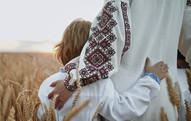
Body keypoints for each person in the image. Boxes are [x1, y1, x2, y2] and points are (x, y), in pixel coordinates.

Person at [48, 0, 191, 121]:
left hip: (124, 102)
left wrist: (73, 82)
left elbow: (110, 27)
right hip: (165, 100)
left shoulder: (49, 87)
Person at [38, 18, 168, 121]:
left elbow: (40, 116)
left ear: (61, 51)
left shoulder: (47, 83)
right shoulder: (99, 83)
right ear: (96, 51)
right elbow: (123, 110)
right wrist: (151, 79)